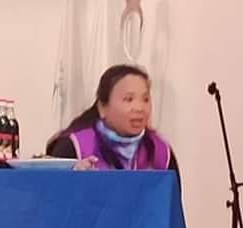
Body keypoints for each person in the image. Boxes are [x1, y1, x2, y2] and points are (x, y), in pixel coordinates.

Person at [46, 63, 179, 176]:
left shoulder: (161, 153)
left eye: (145, 99)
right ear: (102, 107)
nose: (139, 108)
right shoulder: (74, 148)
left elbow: (171, 198)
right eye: (129, 99)